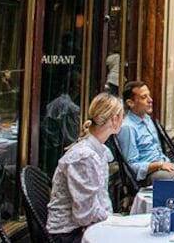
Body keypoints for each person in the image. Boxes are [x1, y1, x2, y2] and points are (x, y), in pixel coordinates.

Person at [46, 93, 124, 243]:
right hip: (68, 234)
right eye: (121, 116)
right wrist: (115, 221)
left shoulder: (98, 150)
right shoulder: (84, 157)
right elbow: (85, 214)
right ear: (114, 120)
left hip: (89, 226)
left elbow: (100, 200)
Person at [116, 81, 174, 184]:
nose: (150, 100)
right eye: (144, 97)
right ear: (130, 103)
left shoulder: (148, 119)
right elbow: (131, 166)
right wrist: (159, 165)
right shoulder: (127, 127)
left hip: (164, 165)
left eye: (149, 96)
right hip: (148, 175)